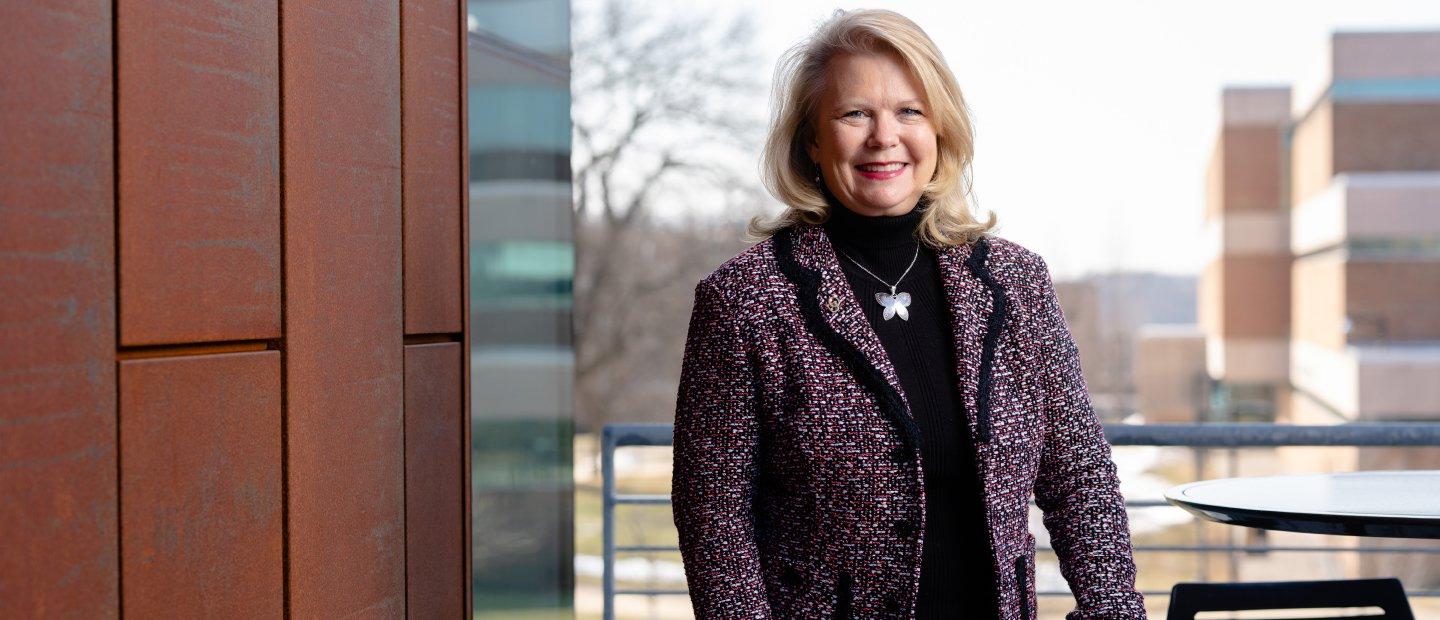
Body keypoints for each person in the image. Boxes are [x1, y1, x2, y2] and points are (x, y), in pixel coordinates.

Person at [670, 8, 1146, 619]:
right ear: (812, 139)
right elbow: (714, 513)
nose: (883, 137)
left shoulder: (1015, 282)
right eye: (854, 113)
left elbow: (1078, 474)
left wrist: (1114, 611)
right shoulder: (745, 299)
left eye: (909, 112)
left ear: (941, 130)